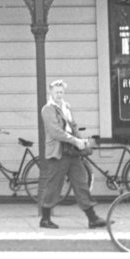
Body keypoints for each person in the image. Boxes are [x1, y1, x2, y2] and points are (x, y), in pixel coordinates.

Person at [38, 79, 107, 229]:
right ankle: (45, 218)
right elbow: (55, 131)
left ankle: (92, 218)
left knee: (81, 182)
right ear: (50, 92)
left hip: (72, 152)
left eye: (61, 92)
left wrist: (81, 143)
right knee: (53, 185)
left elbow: (73, 126)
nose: (59, 95)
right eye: (57, 92)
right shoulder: (48, 109)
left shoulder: (66, 106)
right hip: (58, 151)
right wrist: (75, 141)